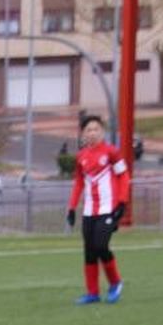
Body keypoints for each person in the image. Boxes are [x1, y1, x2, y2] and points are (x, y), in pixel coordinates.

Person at [66, 115, 130, 305]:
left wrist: (122, 203)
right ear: (83, 134)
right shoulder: (81, 157)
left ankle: (115, 282)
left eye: (96, 129)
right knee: (90, 251)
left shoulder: (112, 152)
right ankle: (92, 293)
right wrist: (71, 207)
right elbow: (78, 183)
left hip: (108, 209)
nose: (92, 133)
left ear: (102, 132)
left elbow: (124, 176)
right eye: (88, 130)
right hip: (88, 211)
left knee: (101, 246)